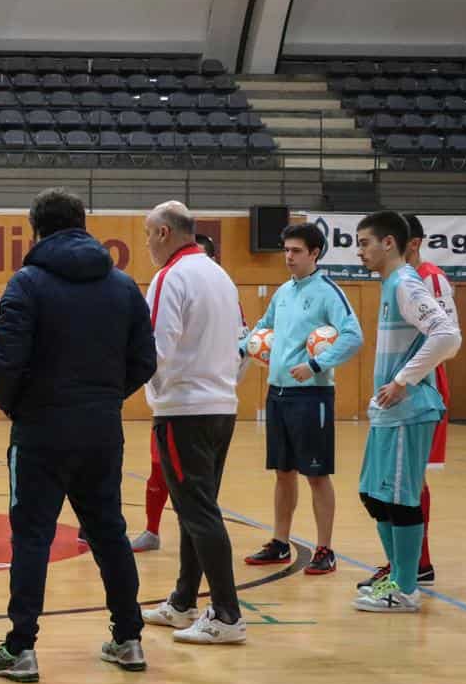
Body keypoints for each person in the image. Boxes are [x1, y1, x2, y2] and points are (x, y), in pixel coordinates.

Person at [0, 189, 156, 683]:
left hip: (40, 430)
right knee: (109, 532)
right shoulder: (123, 285)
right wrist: (104, 397)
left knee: (32, 537)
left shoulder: (27, 283)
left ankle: (21, 648)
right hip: (101, 430)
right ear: (82, 224)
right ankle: (129, 639)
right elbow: (145, 360)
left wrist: (19, 407)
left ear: (35, 230)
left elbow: (4, 361)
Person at [140, 201, 248, 644]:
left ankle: (226, 614)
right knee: (195, 508)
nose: (147, 244)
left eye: (148, 234)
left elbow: (154, 349)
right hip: (222, 407)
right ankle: (184, 601)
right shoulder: (221, 276)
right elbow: (243, 342)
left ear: (164, 232)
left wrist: (144, 389)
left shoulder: (171, 276)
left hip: (184, 410)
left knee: (198, 511)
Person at [352, 211, 461, 613]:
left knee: (400, 500)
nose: (359, 251)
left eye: (364, 243)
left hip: (409, 410)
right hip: (388, 412)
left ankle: (405, 588)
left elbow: (448, 336)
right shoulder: (391, 285)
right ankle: (398, 576)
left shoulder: (406, 283)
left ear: (389, 243)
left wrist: (403, 380)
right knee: (373, 496)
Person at [241, 222, 363, 575]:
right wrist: (239, 348)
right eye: (286, 250)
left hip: (312, 396)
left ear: (314, 253)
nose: (289, 257)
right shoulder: (283, 291)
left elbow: (353, 336)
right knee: (283, 472)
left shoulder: (328, 292)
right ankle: (280, 543)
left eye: (296, 251)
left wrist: (315, 365)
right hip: (277, 394)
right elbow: (262, 328)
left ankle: (325, 549)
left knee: (316, 475)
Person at [133, 232, 222, 553]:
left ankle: (199, 555)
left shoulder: (220, 291)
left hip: (200, 404)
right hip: (178, 403)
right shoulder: (172, 285)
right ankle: (152, 530)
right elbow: (157, 343)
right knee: (160, 470)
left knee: (198, 486)